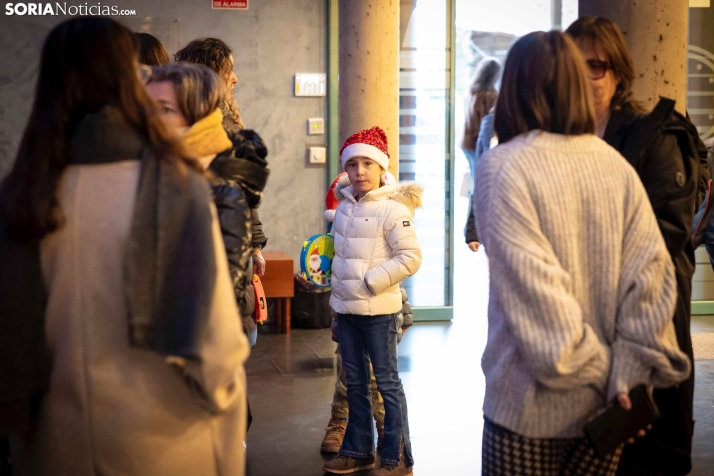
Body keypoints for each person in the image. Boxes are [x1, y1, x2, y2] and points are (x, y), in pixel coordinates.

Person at [0, 17, 249, 475]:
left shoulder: (21, 195)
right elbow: (214, 344)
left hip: (57, 442)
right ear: (132, 78)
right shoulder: (173, 183)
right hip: (168, 439)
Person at [474, 30, 691, 476]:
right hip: (611, 407)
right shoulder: (614, 163)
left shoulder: (504, 165)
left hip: (525, 411)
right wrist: (622, 375)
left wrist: (606, 372)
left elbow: (537, 296)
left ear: (514, 88)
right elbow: (652, 277)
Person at [566, 17, 707, 475]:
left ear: (619, 71)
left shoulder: (656, 135)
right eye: (572, 65)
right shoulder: (561, 142)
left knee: (644, 454)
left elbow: (661, 245)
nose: (583, 78)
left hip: (646, 322)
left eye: (595, 66)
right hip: (582, 329)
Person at [145, 63, 269, 440]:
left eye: (164, 109)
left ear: (196, 115)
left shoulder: (218, 180)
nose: (149, 118)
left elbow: (223, 289)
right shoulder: (155, 167)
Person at [322, 127, 422, 476]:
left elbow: (410, 257)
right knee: (355, 383)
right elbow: (339, 260)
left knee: (387, 383)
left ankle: (396, 458)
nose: (360, 171)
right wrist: (335, 306)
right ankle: (358, 450)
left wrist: (371, 281)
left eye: (367, 163)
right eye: (353, 164)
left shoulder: (393, 209)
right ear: (345, 170)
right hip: (348, 312)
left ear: (381, 168)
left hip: (380, 312)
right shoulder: (345, 209)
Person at [174, 37, 268, 277]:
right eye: (229, 71)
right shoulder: (180, 126)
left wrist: (255, 243)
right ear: (210, 76)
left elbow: (245, 193)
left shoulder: (228, 122)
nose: (235, 78)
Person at [462, 58, 500, 254]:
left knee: (476, 183)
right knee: (480, 184)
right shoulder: (491, 96)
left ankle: (473, 228)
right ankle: (474, 227)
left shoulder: (471, 91)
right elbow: (490, 125)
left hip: (467, 143)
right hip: (482, 143)